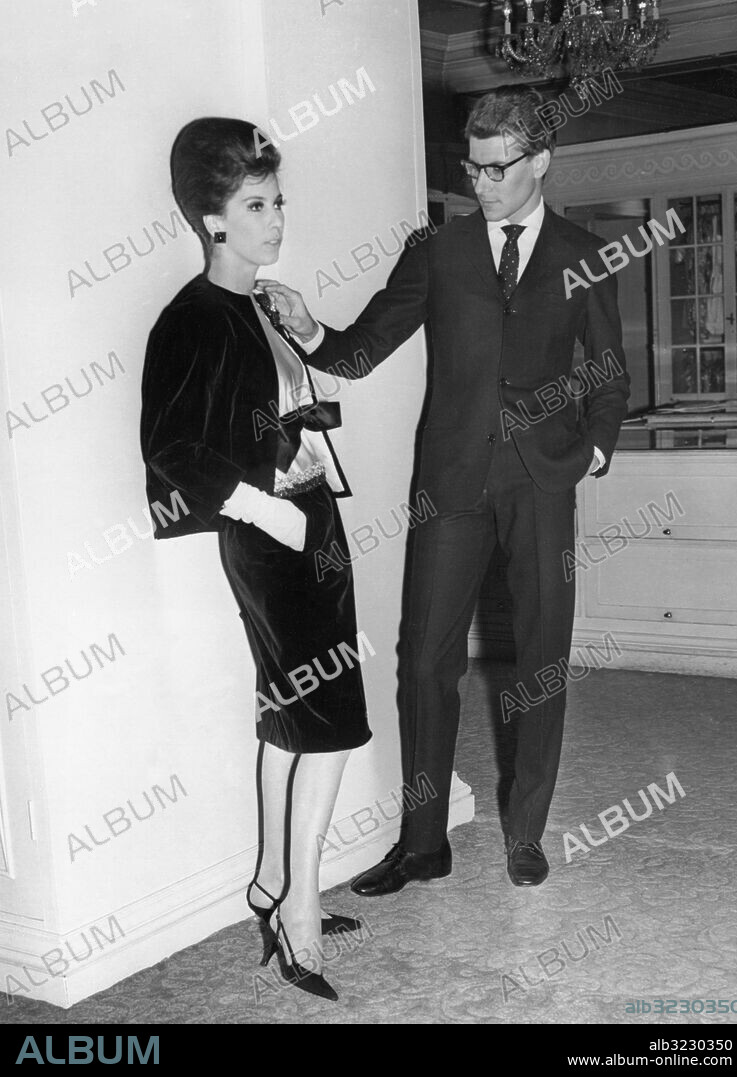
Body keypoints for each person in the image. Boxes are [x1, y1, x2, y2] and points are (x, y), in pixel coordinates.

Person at [259, 87, 631, 895]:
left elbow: (609, 376)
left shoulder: (584, 251)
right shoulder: (437, 249)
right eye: (472, 166)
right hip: (450, 484)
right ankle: (423, 841)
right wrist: (306, 326)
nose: (481, 182)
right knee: (423, 660)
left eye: (498, 167)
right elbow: (358, 351)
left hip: (543, 482)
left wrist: (592, 453)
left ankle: (525, 831)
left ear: (539, 162)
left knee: (540, 658)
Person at [140, 117, 372, 1002]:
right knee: (332, 720)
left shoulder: (264, 303)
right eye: (255, 204)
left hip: (314, 520)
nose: (276, 220)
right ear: (212, 218)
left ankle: (271, 888)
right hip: (271, 534)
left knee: (294, 713)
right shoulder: (189, 317)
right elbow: (171, 448)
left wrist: (309, 338)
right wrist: (265, 511)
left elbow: (289, 401)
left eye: (277, 200)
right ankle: (301, 918)